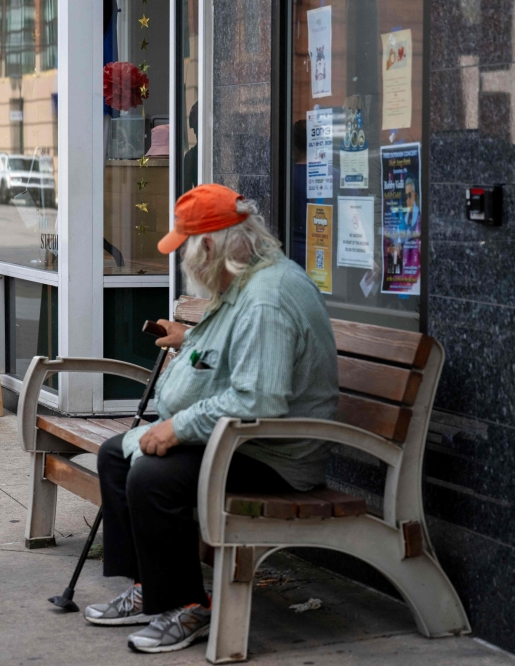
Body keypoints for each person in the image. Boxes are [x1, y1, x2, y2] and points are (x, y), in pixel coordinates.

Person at [85, 183, 340, 653]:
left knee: (154, 477)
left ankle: (189, 607)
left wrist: (178, 427)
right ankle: (152, 590)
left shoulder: (267, 297)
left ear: (209, 246)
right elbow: (240, 358)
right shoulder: (245, 280)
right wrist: (190, 338)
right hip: (247, 440)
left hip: (278, 454)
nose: (182, 259)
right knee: (115, 456)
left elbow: (259, 399)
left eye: (184, 248)